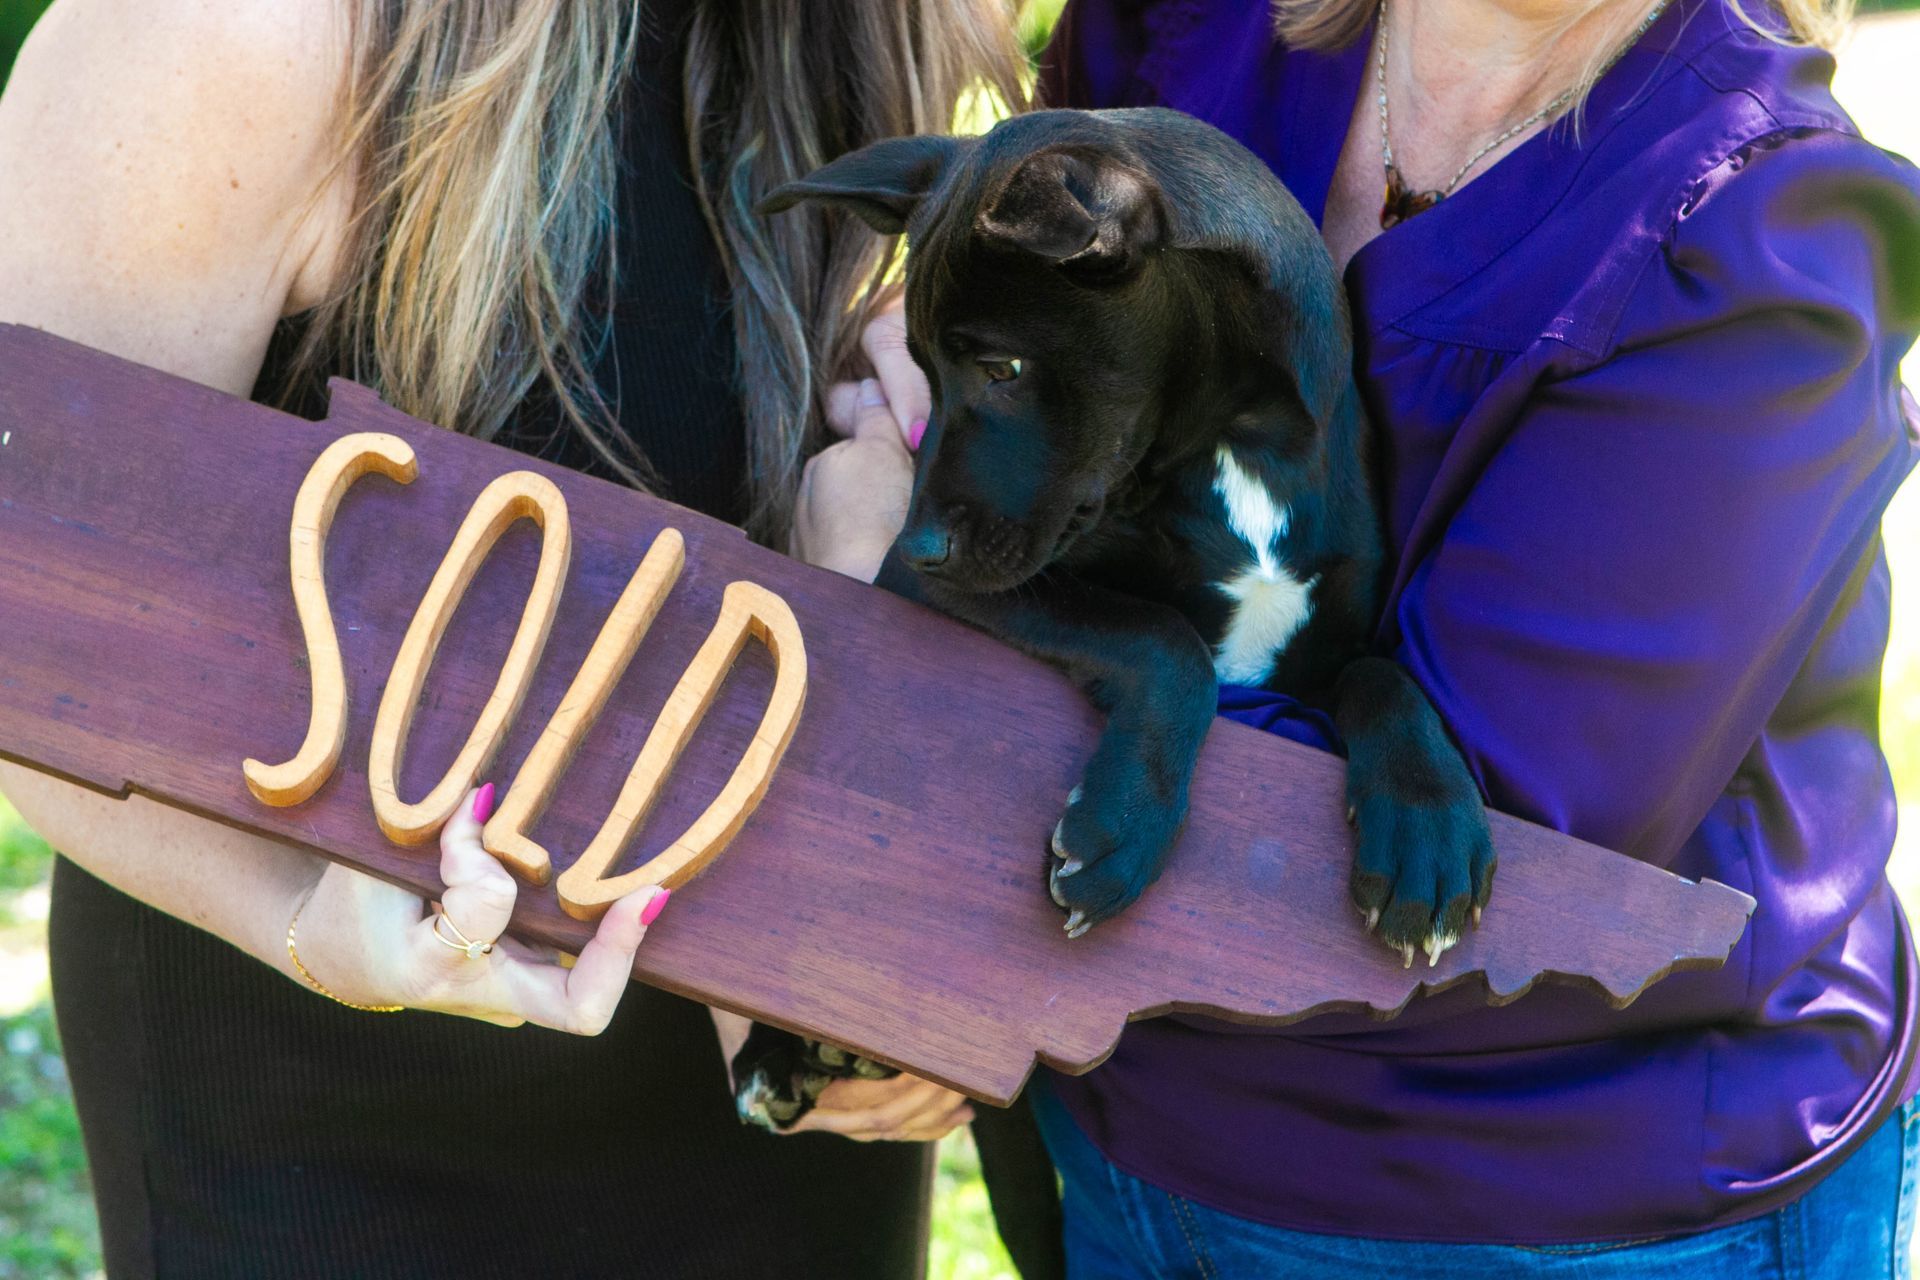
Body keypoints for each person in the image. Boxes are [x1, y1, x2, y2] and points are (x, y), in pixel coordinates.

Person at [801, 0, 1920, 1274]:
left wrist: (877, 576)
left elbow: (1502, 841)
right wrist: (924, 378)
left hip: (1557, 1197)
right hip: (1131, 1136)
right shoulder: (1186, 27)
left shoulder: (1759, 221)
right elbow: (1013, 325)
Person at [0, 1, 1019, 1276]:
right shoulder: (251, 33)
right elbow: (20, 611)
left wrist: (892, 461)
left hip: (751, 1125)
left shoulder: (861, 31)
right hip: (321, 1118)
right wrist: (308, 922)